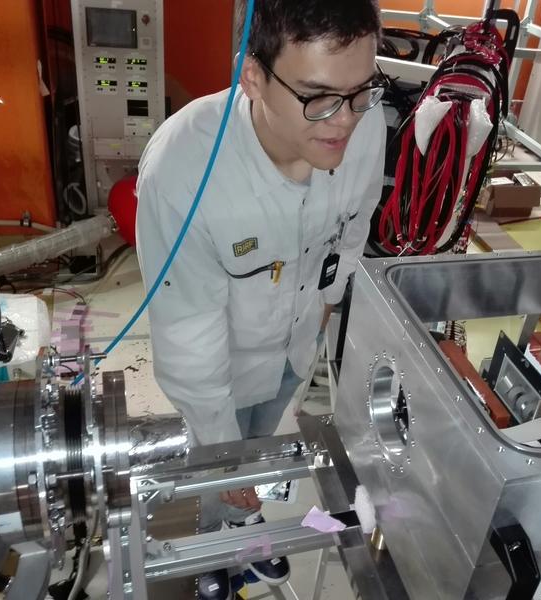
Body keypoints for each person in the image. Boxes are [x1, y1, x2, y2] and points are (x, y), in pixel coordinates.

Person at [136, 0, 386, 597]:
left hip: (292, 350)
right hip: (221, 367)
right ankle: (214, 558)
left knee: (260, 454)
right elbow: (189, 341)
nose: (344, 121)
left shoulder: (364, 126)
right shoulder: (185, 173)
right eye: (318, 96)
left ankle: (245, 536)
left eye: (361, 92)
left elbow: (349, 241)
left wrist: (318, 324)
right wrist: (222, 455)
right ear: (252, 76)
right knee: (221, 467)